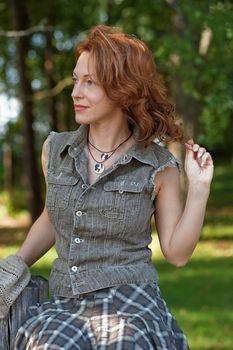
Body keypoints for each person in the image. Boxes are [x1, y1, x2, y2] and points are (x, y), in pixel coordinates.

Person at [0, 25, 213, 349]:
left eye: (90, 83)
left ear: (122, 90)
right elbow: (52, 216)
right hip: (69, 303)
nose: (76, 92)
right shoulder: (55, 150)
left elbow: (177, 254)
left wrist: (199, 189)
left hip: (132, 303)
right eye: (75, 80)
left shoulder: (158, 166)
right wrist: (15, 266)